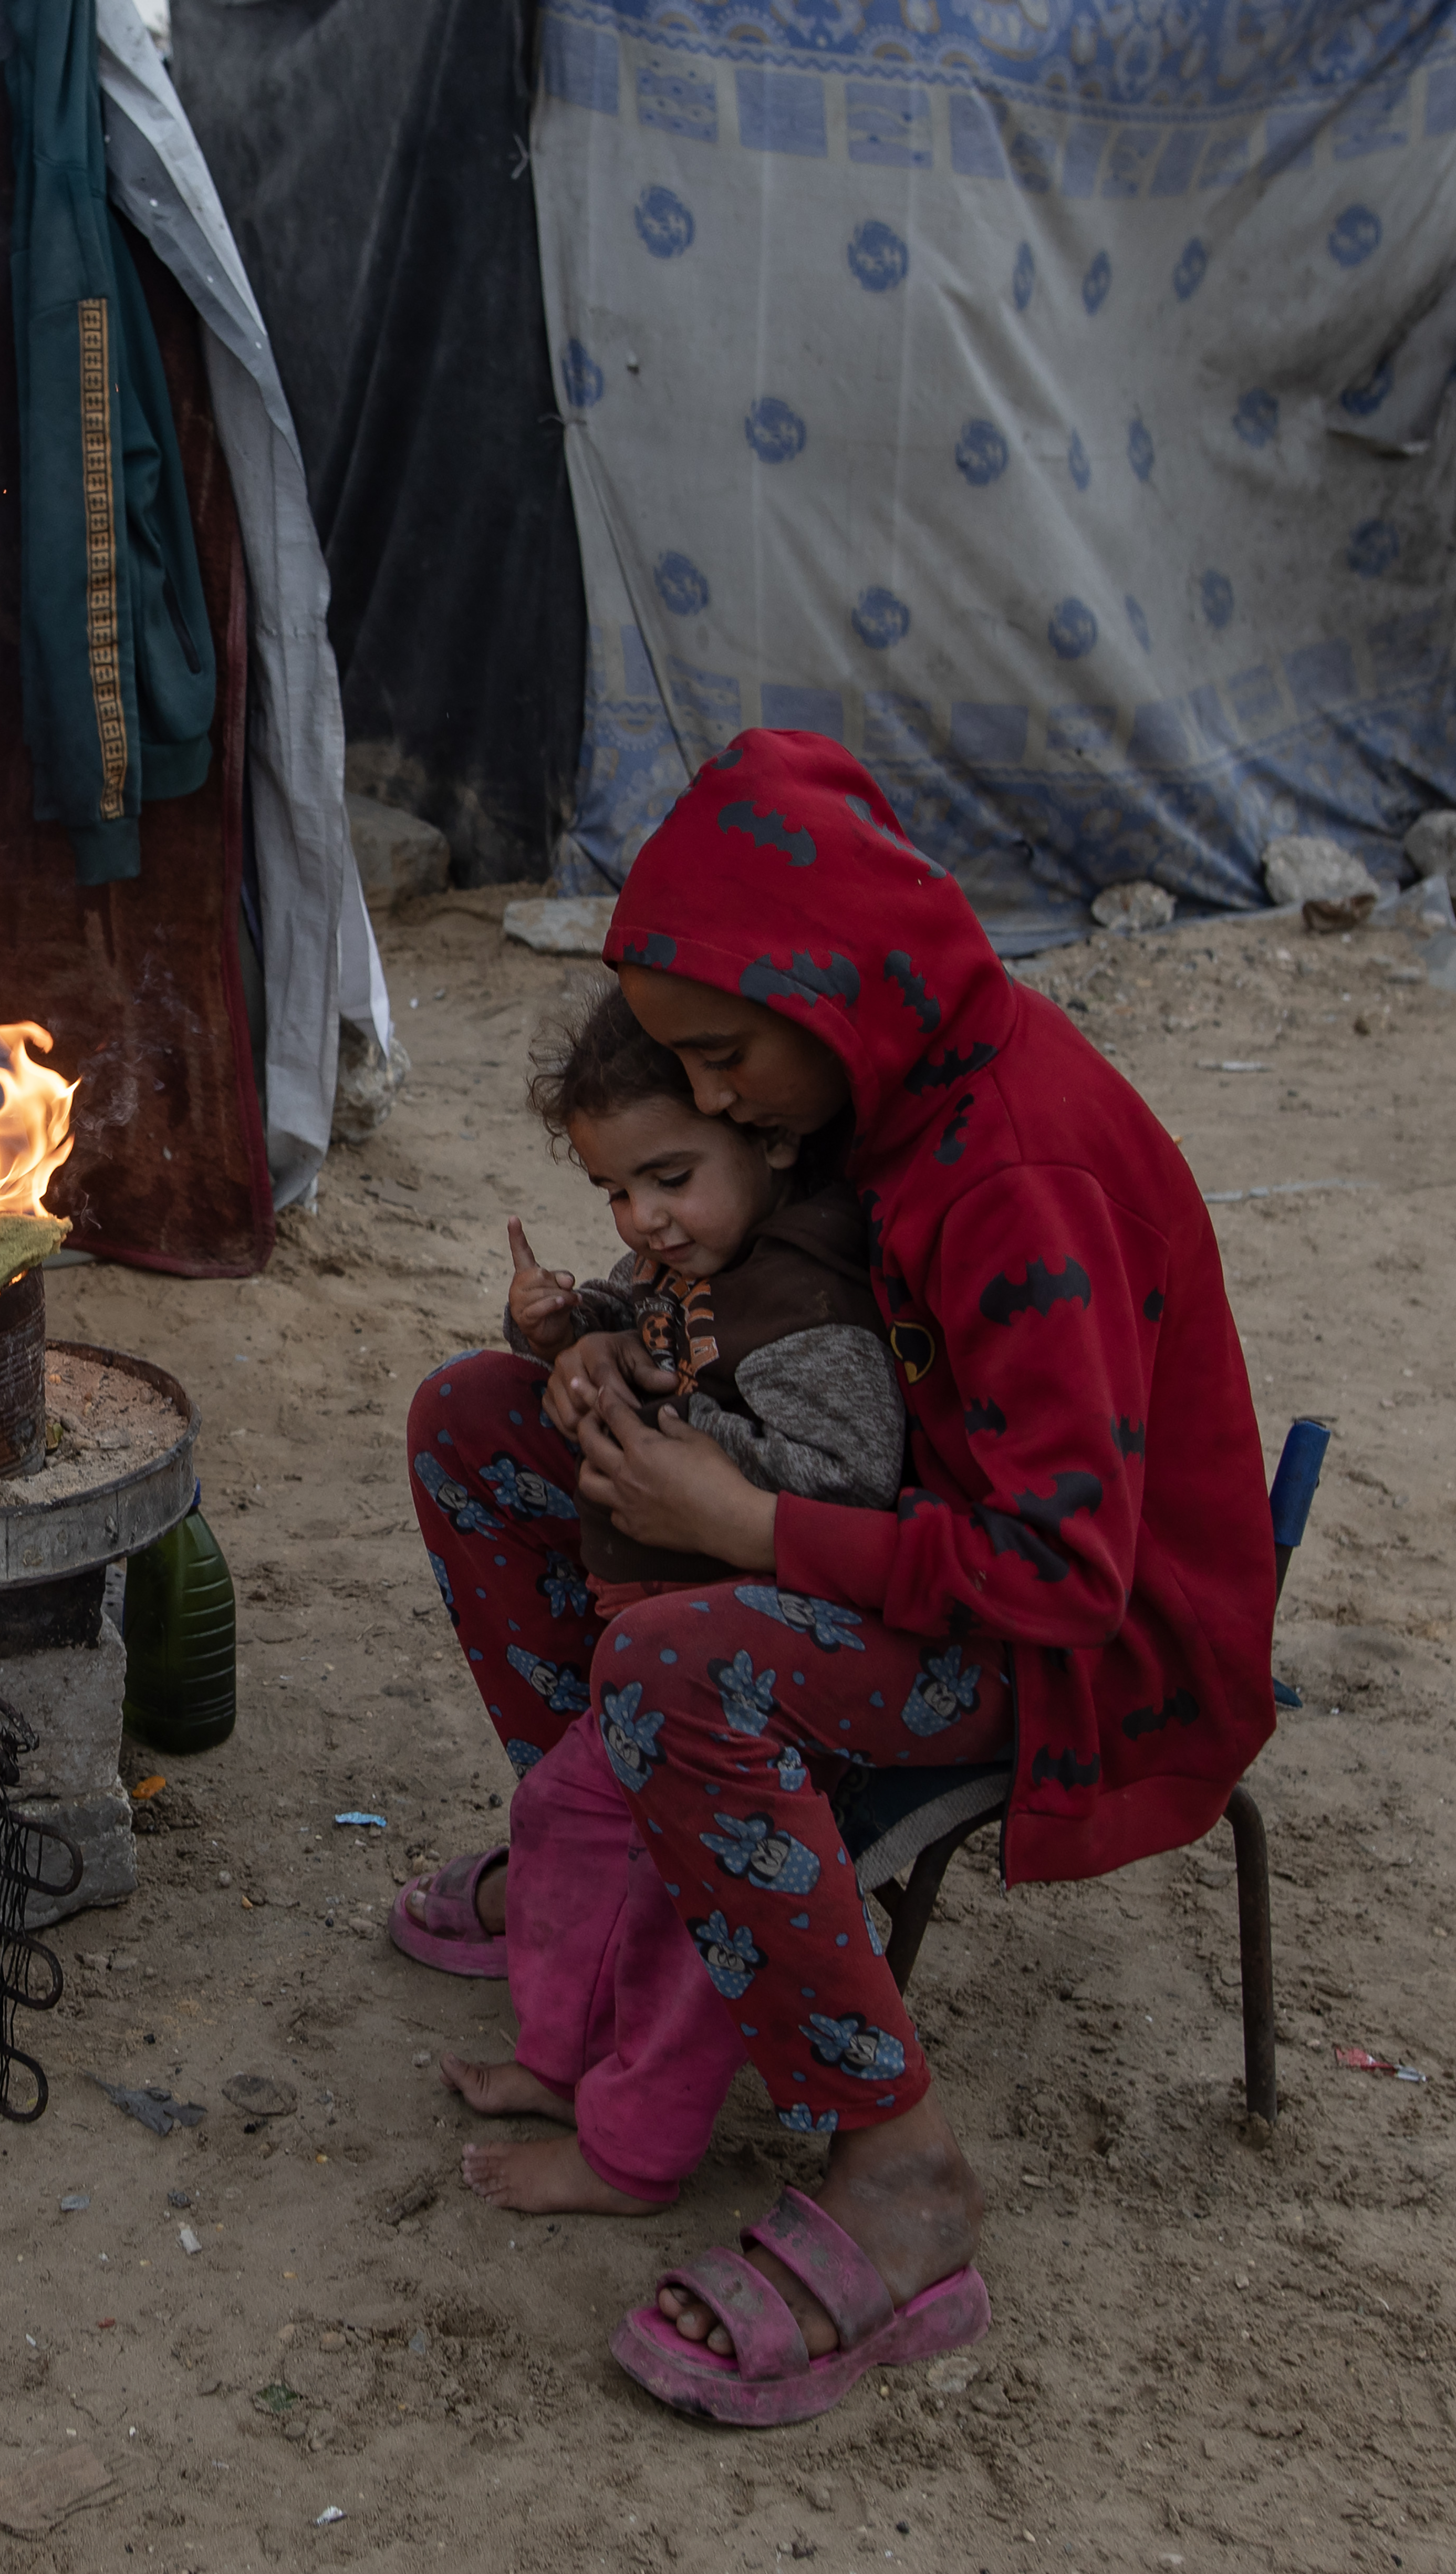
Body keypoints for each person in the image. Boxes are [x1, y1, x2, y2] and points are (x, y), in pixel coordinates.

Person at [443, 730, 1273, 2426]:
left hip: (1078, 1657)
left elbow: (1064, 1577)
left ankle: (900, 2170)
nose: (714, 1104)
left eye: (725, 1060)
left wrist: (746, 1532)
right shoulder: (873, 1087)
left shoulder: (1013, 1173)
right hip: (885, 1529)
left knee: (685, 1664)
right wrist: (610, 1356)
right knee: (479, 1425)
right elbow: (761, 1322)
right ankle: (606, 1855)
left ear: (829, 993)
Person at [390, 993, 906, 2222]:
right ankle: (564, 2059)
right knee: (562, 1818)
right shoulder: (691, 1261)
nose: (643, 1221)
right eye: (617, 1192)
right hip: (651, 1664)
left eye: (670, 1179)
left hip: (748, 1675)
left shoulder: (807, 1306)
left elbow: (849, 1480)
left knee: (684, 1898)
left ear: (767, 1135)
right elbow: (648, 1326)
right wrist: (567, 1329)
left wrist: (681, 1442)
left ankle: (632, 2152)